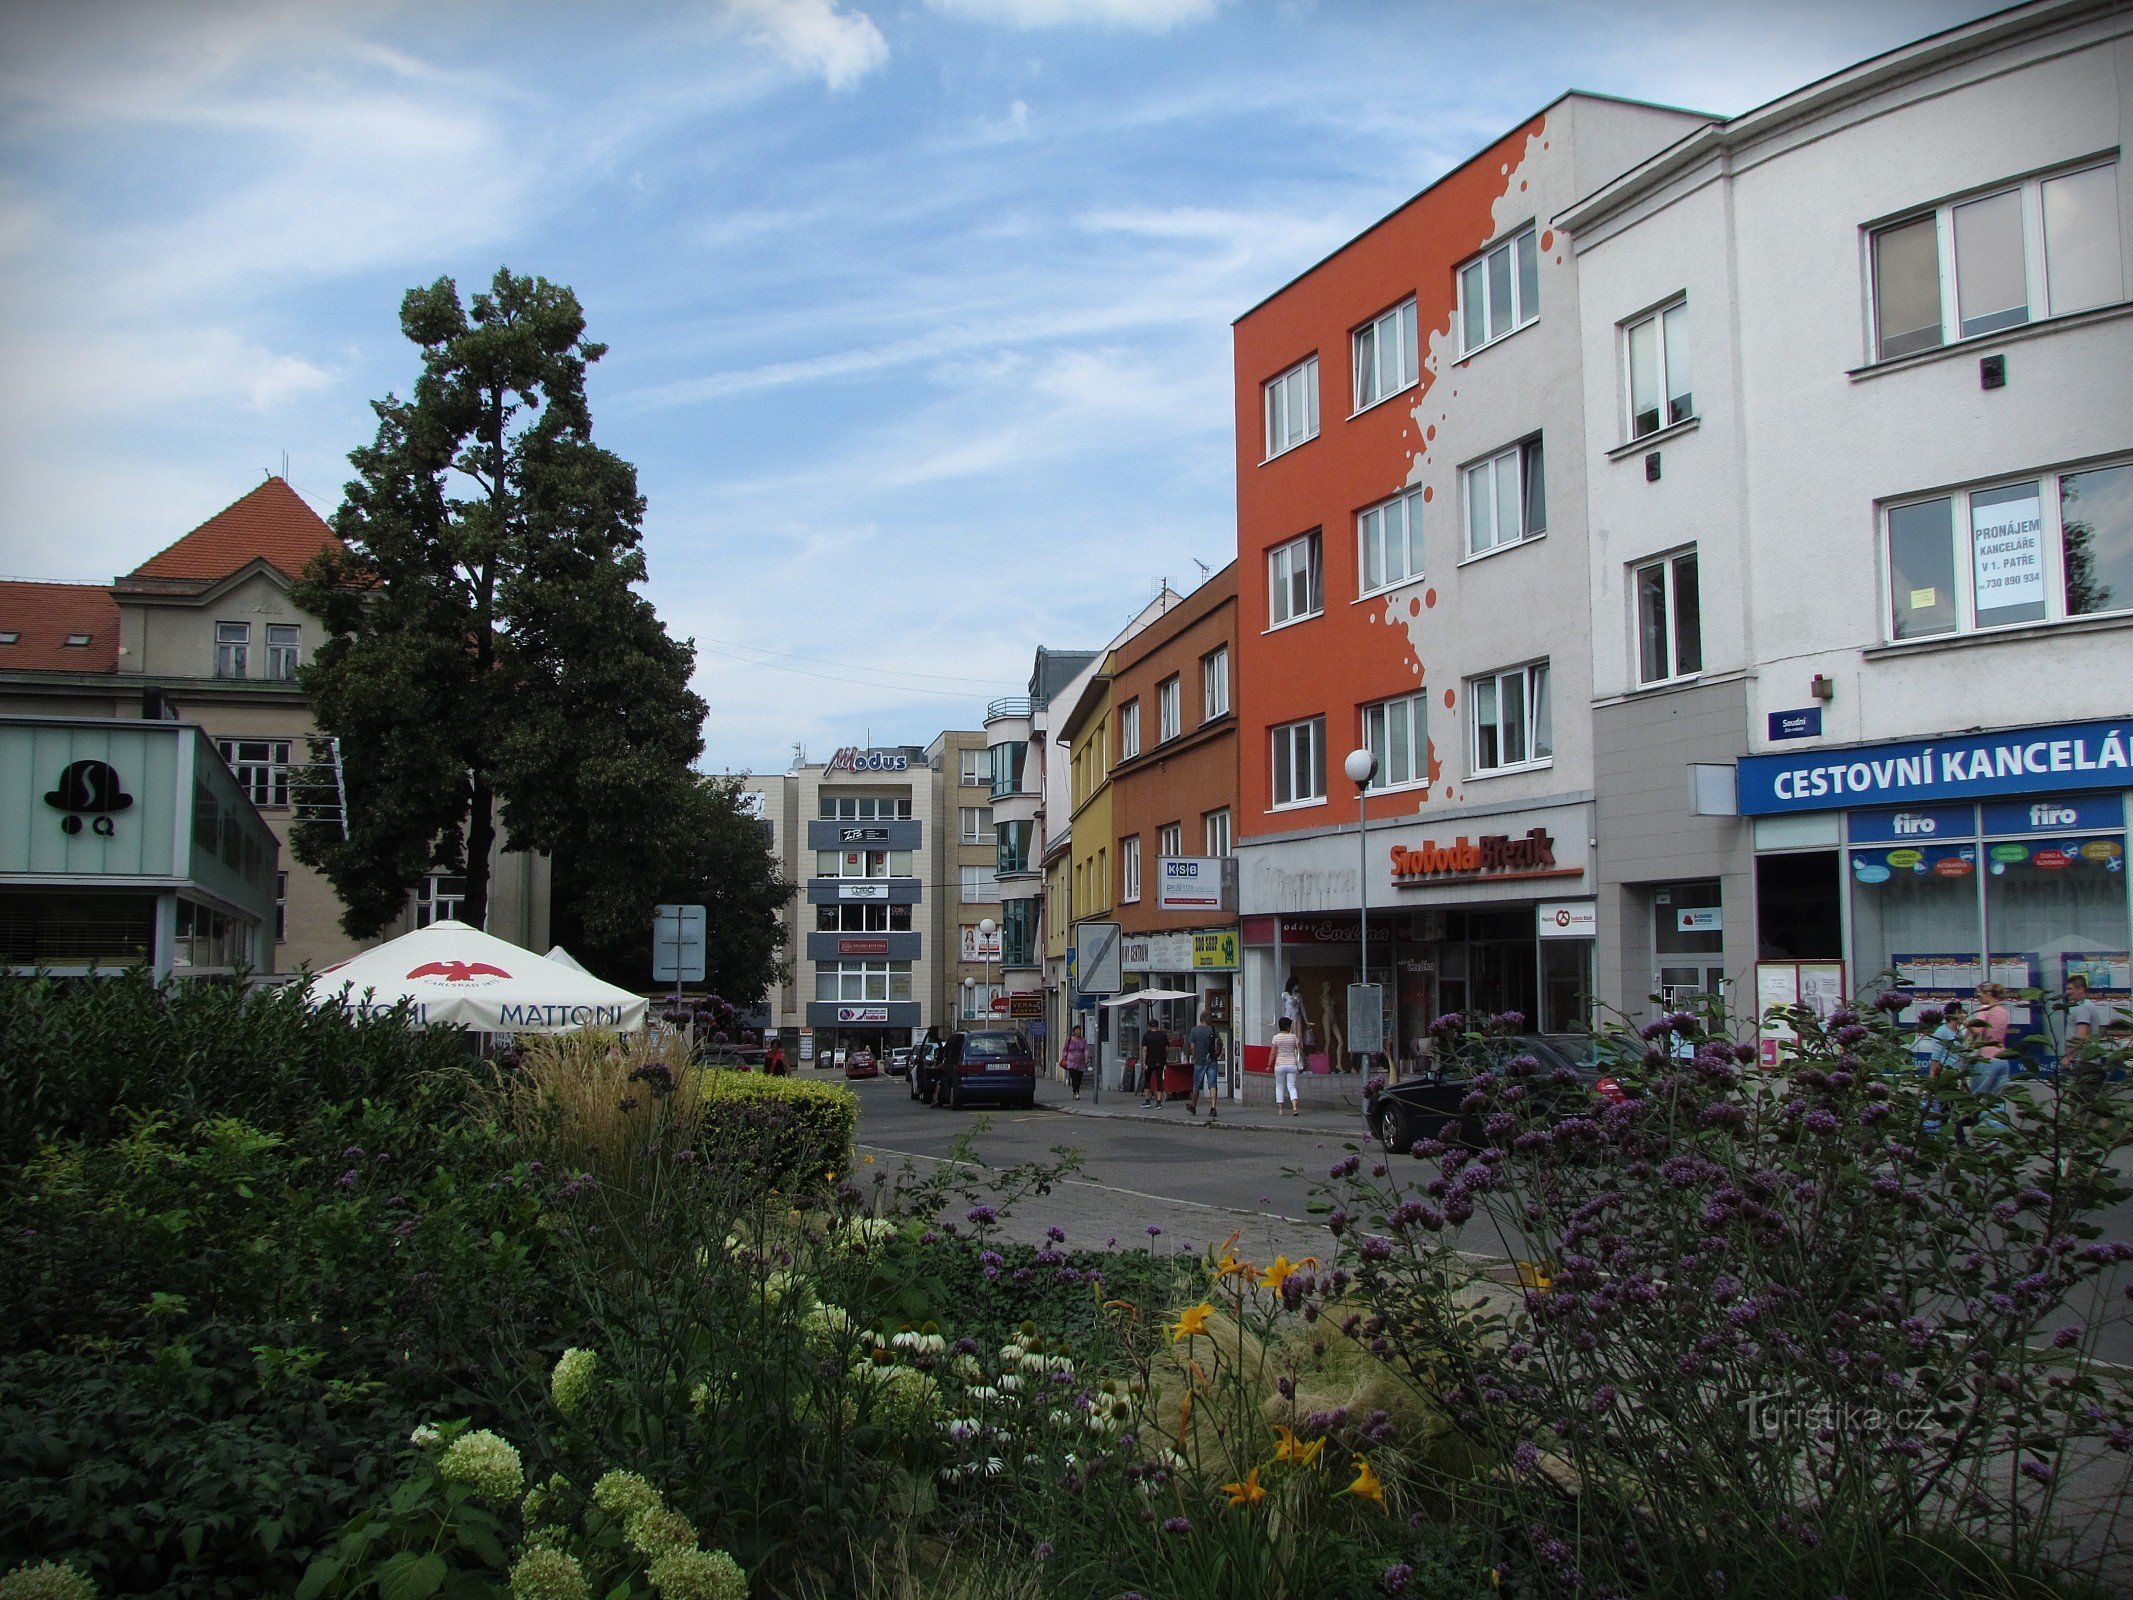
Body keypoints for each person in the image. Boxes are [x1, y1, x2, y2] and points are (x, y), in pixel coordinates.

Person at [1187, 1008, 1222, 1122]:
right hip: (1212, 1060)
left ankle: (1193, 1106)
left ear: (1200, 1019)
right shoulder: (1213, 1030)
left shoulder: (1194, 1031)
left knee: (1196, 1085)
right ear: (1208, 1019)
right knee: (1213, 1085)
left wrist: (1194, 1056)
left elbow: (1192, 1047)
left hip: (1199, 1061)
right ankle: (1213, 1108)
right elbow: (1219, 1043)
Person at [1270, 1015, 1304, 1116]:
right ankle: (1294, 1107)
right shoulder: (1293, 1037)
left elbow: (1272, 1053)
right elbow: (1300, 1050)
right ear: (1288, 1027)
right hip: (1292, 1065)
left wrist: (1269, 1065)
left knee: (1279, 1086)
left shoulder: (1276, 1038)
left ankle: (1280, 1110)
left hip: (1280, 1065)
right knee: (1291, 1086)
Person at [1140, 1020, 1171, 1109]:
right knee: (1159, 1081)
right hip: (1160, 1060)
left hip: (1149, 1061)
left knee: (1147, 1080)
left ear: (1149, 1026)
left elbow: (1145, 1050)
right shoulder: (1163, 1035)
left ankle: (1147, 1100)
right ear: (1158, 1026)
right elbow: (1167, 1048)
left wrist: (1144, 1062)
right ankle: (1158, 1102)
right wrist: (1164, 1058)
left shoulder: (1146, 1036)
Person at [1062, 1025, 1090, 1100]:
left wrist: (1086, 1057)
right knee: (1074, 1078)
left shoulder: (1083, 1040)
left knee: (1079, 1078)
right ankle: (1076, 1093)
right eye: (1077, 1030)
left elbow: (1086, 1049)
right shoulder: (1069, 1039)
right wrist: (1064, 1057)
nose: (1079, 1032)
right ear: (1074, 1031)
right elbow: (1065, 1049)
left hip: (1080, 1062)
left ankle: (1077, 1090)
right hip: (1071, 1062)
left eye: (1080, 1030)